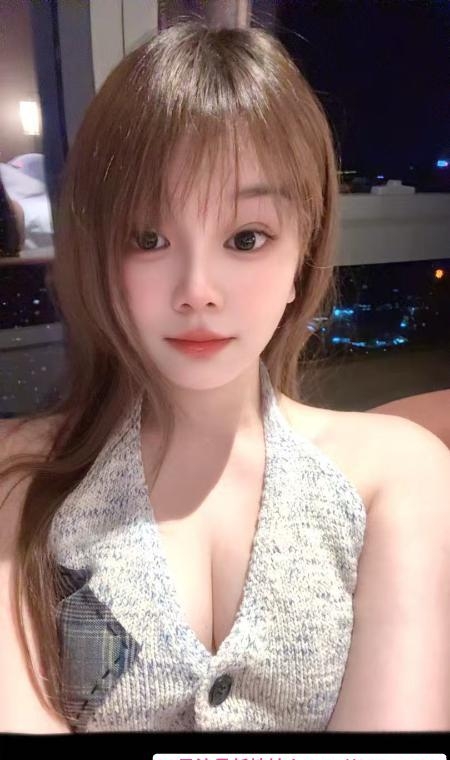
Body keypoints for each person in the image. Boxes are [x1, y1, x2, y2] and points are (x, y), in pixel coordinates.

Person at [0, 21, 449, 734]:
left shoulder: (396, 474)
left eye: (246, 238)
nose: (198, 291)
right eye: (149, 238)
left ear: (303, 253)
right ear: (99, 250)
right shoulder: (21, 481)